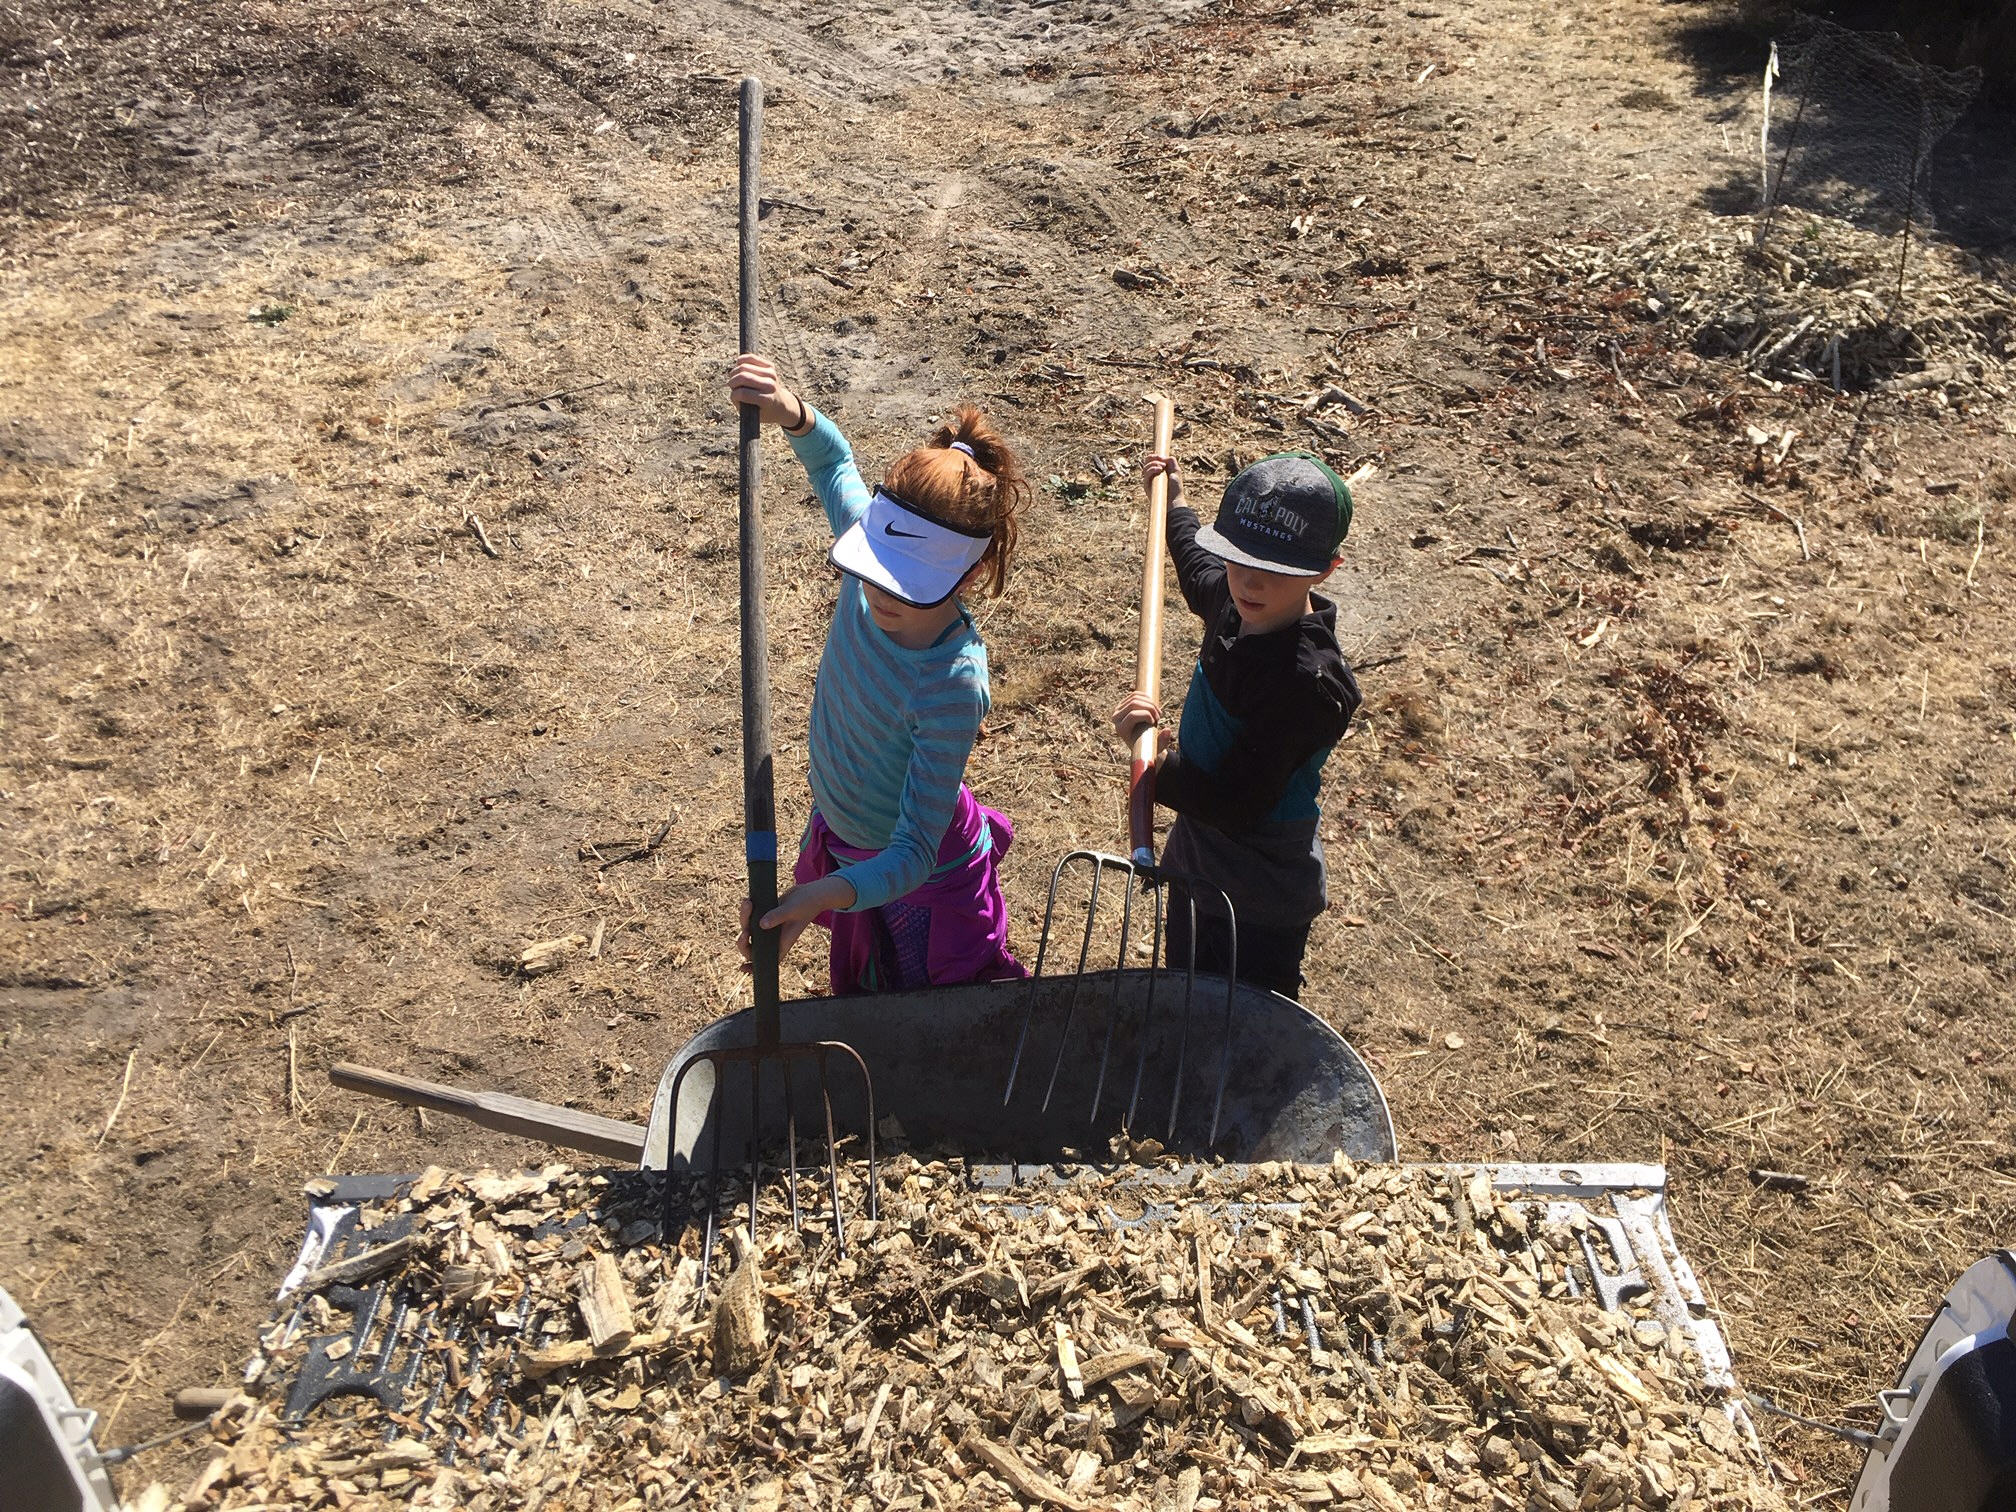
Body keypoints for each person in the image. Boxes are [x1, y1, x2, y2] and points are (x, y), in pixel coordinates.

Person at [727, 354, 1030, 994]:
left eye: (905, 585)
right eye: (873, 570)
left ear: (968, 575)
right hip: (842, 827)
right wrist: (792, 411)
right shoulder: (869, 565)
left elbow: (914, 853)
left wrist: (817, 898)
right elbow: (834, 464)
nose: (877, 594)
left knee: (910, 1002)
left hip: (913, 879)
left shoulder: (950, 681)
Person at [1111, 452, 1361, 999]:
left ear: (1325, 571)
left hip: (1258, 890)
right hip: (1201, 857)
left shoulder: (1307, 685)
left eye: (1274, 570)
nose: (1249, 582)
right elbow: (1192, 560)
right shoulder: (1235, 598)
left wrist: (1152, 762)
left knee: (1242, 1017)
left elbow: (1239, 804)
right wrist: (1173, 499)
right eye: (1237, 557)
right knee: (1189, 987)